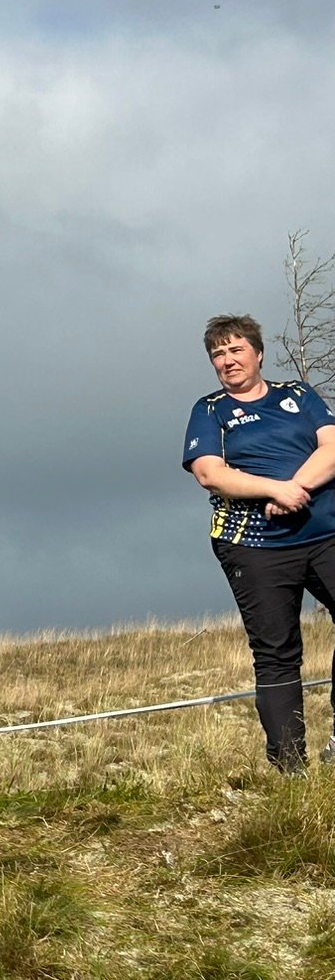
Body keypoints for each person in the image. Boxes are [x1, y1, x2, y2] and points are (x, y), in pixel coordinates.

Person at [183, 314, 335, 771]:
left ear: (258, 353)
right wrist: (272, 491)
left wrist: (294, 489)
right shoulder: (209, 410)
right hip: (255, 546)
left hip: (325, 533)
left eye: (235, 350)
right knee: (276, 651)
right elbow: (210, 474)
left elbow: (332, 446)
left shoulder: (298, 395)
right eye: (218, 354)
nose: (227, 361)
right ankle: (290, 768)